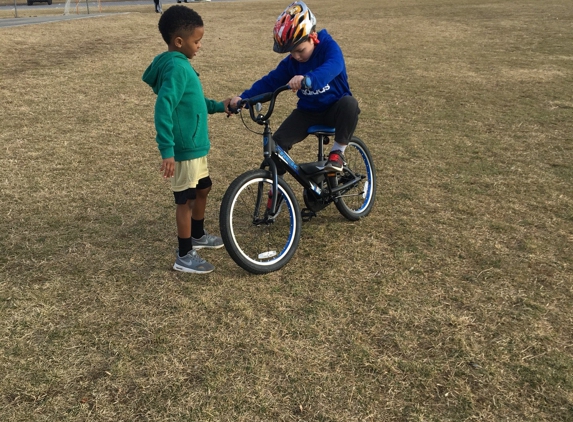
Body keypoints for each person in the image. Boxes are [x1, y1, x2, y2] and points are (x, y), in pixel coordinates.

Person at [142, 6, 230, 274]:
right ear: (179, 42)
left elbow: (193, 102)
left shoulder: (182, 65)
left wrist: (218, 105)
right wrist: (167, 151)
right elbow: (164, 107)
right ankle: (184, 255)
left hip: (196, 146)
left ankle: (198, 235)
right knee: (185, 199)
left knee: (203, 188)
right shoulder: (177, 69)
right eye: (196, 41)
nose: (199, 46)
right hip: (184, 149)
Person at [229, 1, 360, 175]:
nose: (296, 56)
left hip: (335, 109)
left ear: (312, 36)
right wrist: (244, 98)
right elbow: (270, 82)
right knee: (277, 145)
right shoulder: (292, 62)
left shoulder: (329, 47)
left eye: (300, 50)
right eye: (291, 53)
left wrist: (309, 79)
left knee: (350, 104)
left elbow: (333, 65)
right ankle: (277, 188)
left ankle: (338, 153)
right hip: (308, 113)